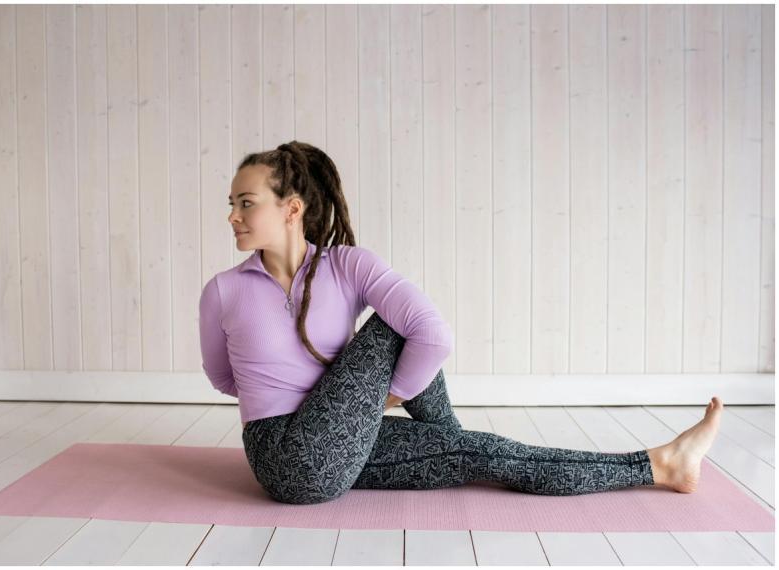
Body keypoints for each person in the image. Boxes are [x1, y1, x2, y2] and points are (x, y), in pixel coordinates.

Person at [199, 140, 723, 505]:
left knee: (484, 453)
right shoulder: (223, 290)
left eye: (247, 203)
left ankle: (660, 465)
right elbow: (225, 379)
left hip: (339, 445)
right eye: (232, 204)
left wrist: (366, 405)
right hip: (283, 459)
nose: (233, 216)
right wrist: (372, 398)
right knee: (393, 327)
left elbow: (433, 335)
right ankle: (447, 436)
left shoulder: (346, 266)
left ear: (292, 209)